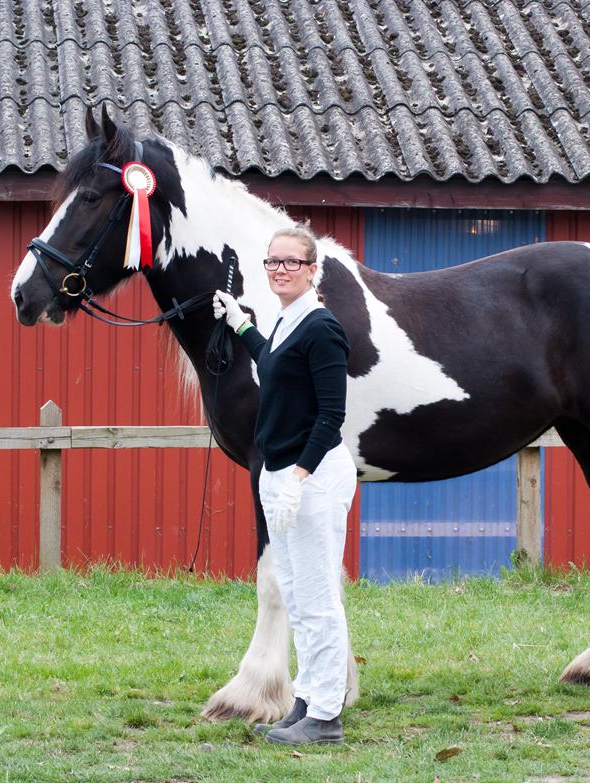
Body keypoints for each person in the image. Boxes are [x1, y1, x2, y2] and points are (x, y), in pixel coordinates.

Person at [212, 225, 356, 746]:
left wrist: (299, 475)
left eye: (291, 263)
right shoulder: (283, 321)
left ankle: (326, 717)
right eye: (272, 261)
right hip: (281, 476)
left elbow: (332, 415)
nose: (279, 270)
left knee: (319, 601)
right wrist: (240, 323)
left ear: (312, 270)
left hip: (310, 478)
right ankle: (307, 699)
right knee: (296, 598)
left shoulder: (322, 329)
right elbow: (270, 363)